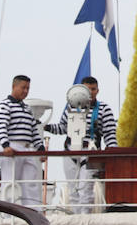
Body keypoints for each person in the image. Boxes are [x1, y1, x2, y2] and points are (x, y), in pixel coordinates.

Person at [44, 77, 118, 212]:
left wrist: (112, 152)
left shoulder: (103, 109)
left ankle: (85, 219)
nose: (90, 93)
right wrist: (46, 127)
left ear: (98, 90)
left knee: (86, 189)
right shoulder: (71, 107)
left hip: (90, 152)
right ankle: (77, 218)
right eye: (87, 90)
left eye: (93, 89)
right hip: (70, 151)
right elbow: (63, 128)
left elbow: (110, 133)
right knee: (72, 190)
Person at [0, 74, 45, 207]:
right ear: (14, 87)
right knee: (10, 182)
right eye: (23, 88)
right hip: (12, 146)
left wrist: (40, 148)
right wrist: (5, 145)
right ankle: (7, 215)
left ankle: (33, 211)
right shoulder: (4, 105)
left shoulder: (27, 109)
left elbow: (33, 130)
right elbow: (1, 126)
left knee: (30, 184)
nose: (25, 91)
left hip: (27, 148)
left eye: (28, 88)